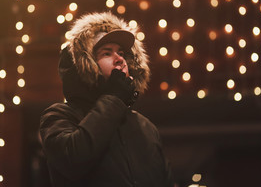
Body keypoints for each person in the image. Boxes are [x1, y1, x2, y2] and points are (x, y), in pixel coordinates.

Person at [39, 12, 174, 187]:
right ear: (86, 64)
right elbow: (73, 161)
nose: (119, 59)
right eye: (107, 53)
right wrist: (114, 97)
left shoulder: (145, 126)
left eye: (121, 53)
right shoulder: (59, 116)